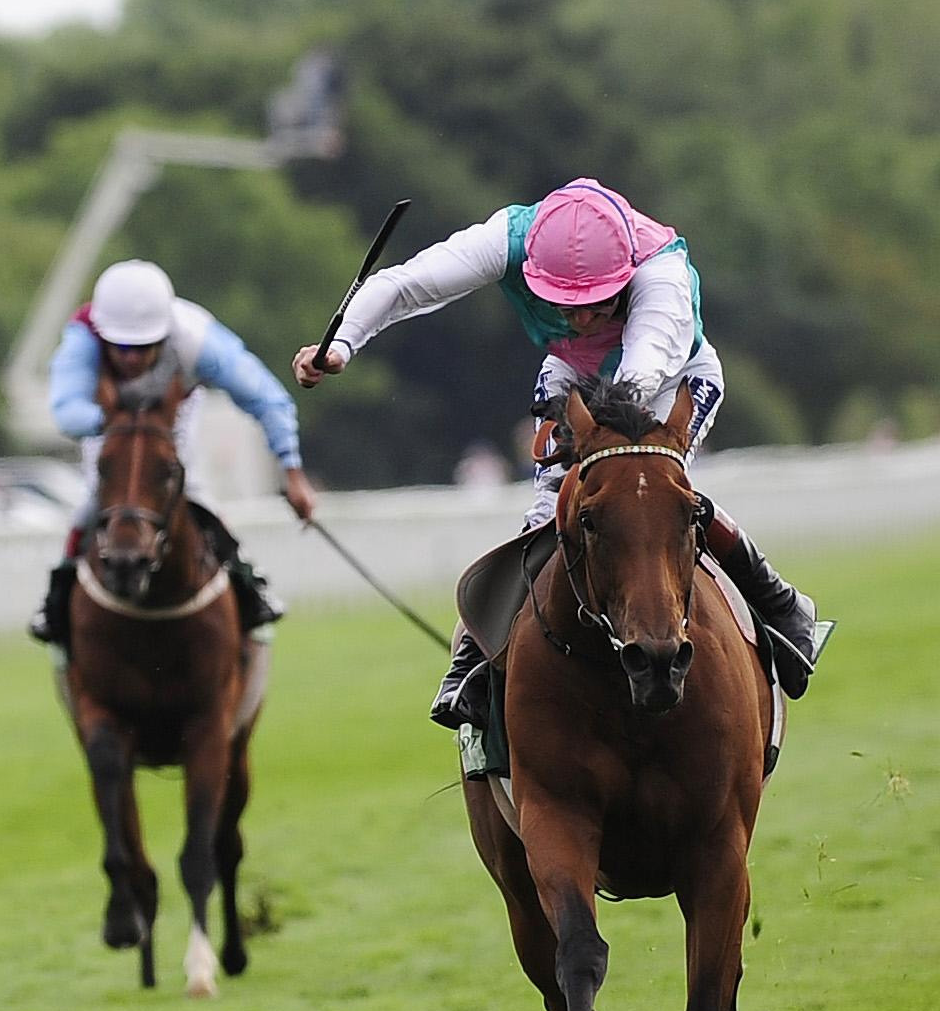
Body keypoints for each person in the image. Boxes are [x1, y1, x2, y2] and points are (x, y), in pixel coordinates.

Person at [294, 177, 828, 733]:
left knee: (656, 496)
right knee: (546, 507)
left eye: (594, 305)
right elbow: (408, 285)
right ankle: (476, 658)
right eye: (561, 303)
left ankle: (780, 603)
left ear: (622, 281)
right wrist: (342, 343)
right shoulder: (511, 237)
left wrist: (596, 444)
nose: (577, 318)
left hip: (669, 380)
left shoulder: (662, 277)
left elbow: (641, 374)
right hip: (574, 375)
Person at [30, 260, 318, 651]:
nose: (131, 359)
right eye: (122, 348)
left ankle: (249, 583)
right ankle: (57, 596)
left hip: (173, 424)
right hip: (109, 426)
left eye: (144, 347)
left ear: (164, 333)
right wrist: (114, 422)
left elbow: (268, 399)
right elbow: (66, 411)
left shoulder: (197, 339)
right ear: (102, 333)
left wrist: (292, 470)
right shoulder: (83, 338)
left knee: (195, 495)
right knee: (94, 504)